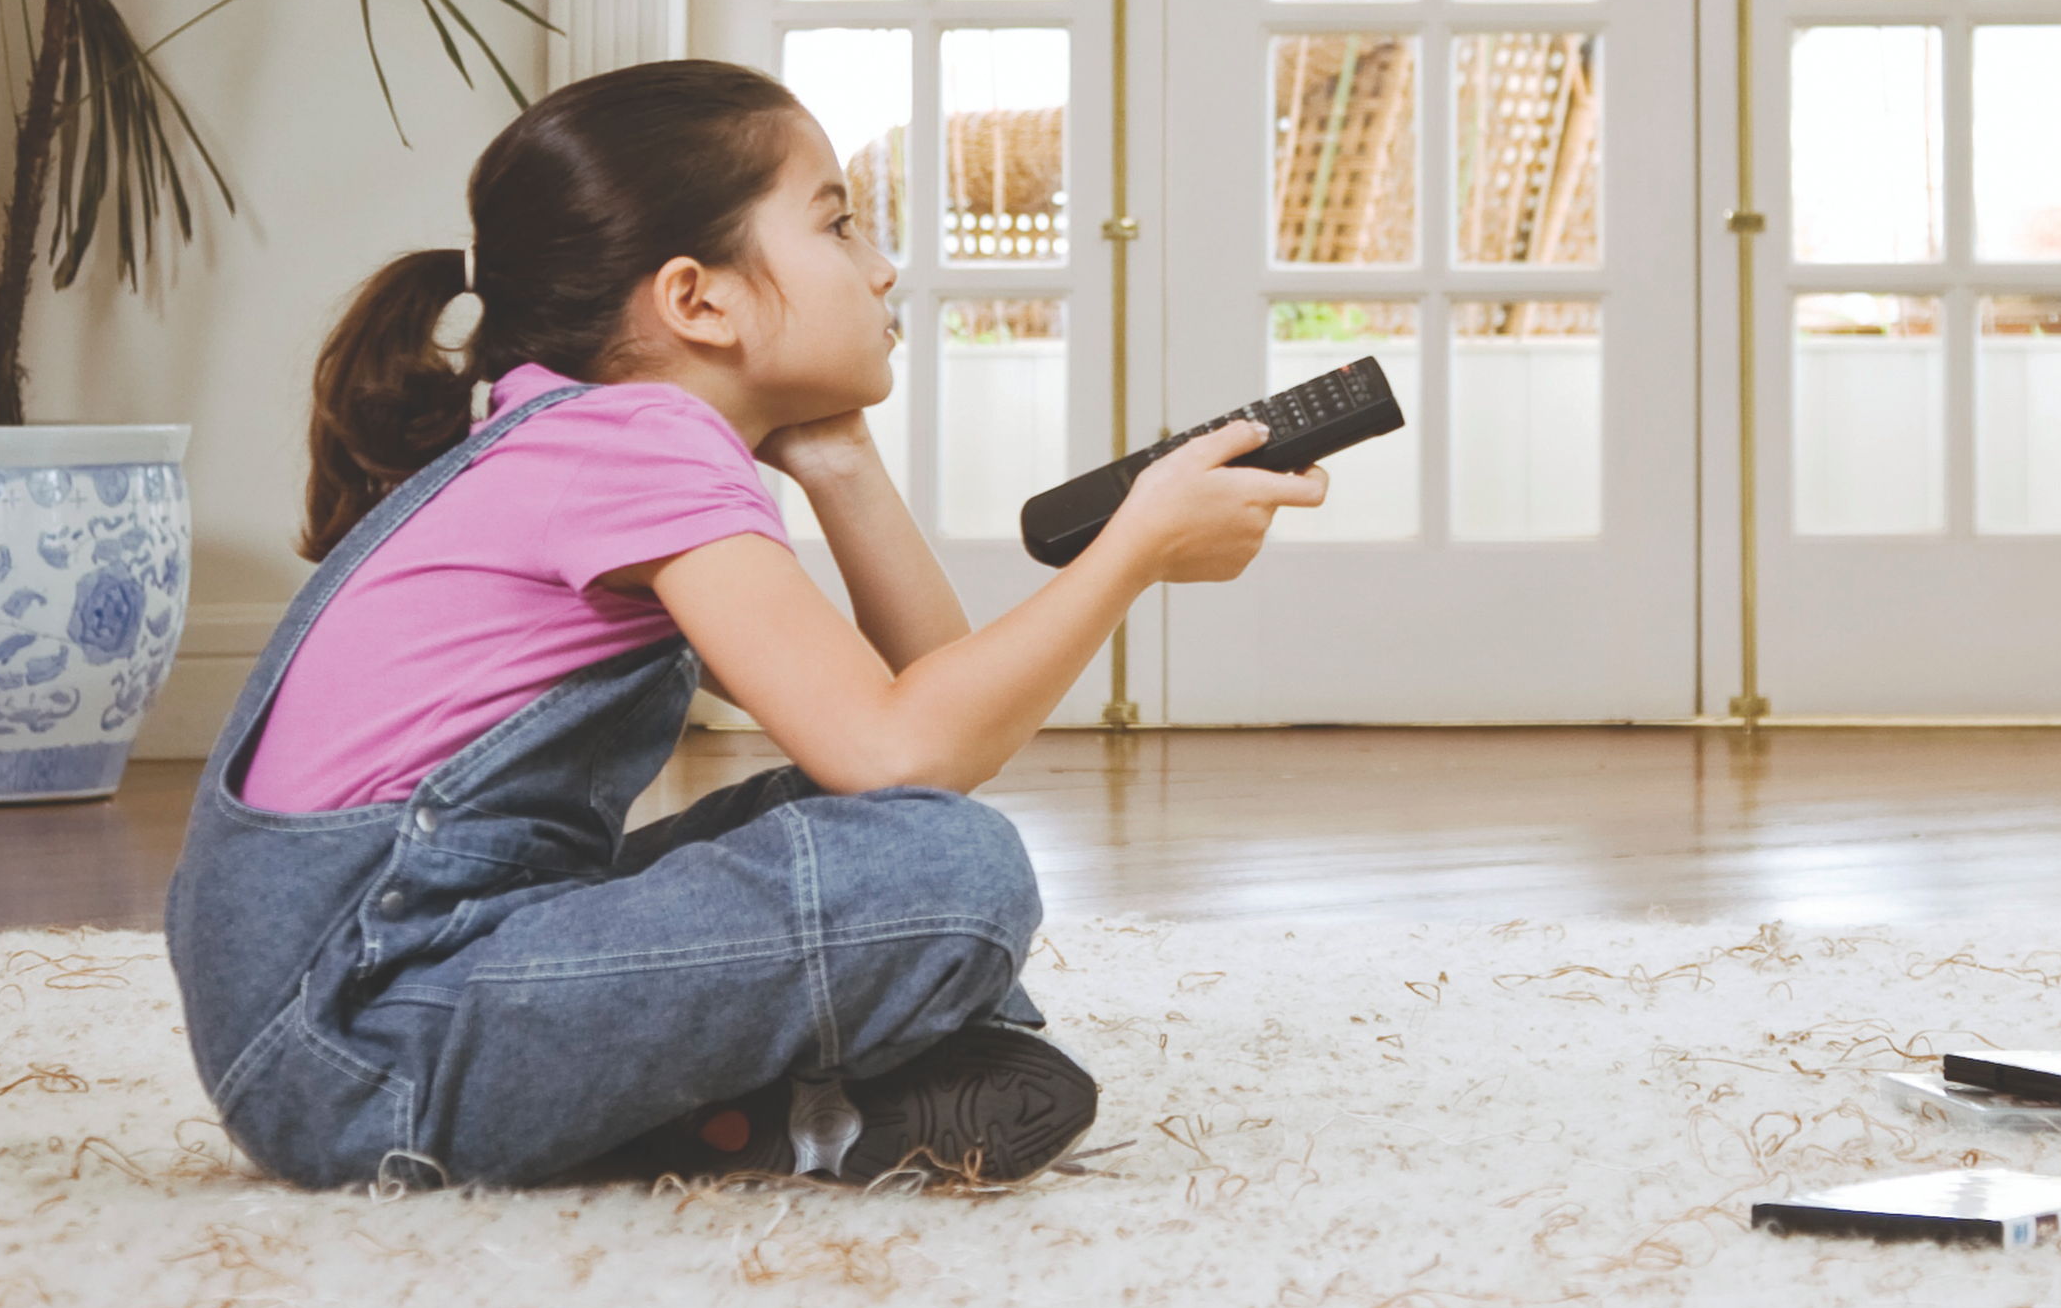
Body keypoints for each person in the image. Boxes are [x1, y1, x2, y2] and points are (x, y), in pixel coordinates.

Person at [165, 58, 1315, 1192]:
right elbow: (903, 749)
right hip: (361, 1047)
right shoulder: (632, 445)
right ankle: (829, 1091)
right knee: (952, 869)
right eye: (840, 226)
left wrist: (841, 461)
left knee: (881, 824)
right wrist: (1133, 553)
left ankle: (786, 1114)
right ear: (695, 298)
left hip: (379, 999)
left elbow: (927, 715)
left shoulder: (583, 433)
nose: (882, 268)